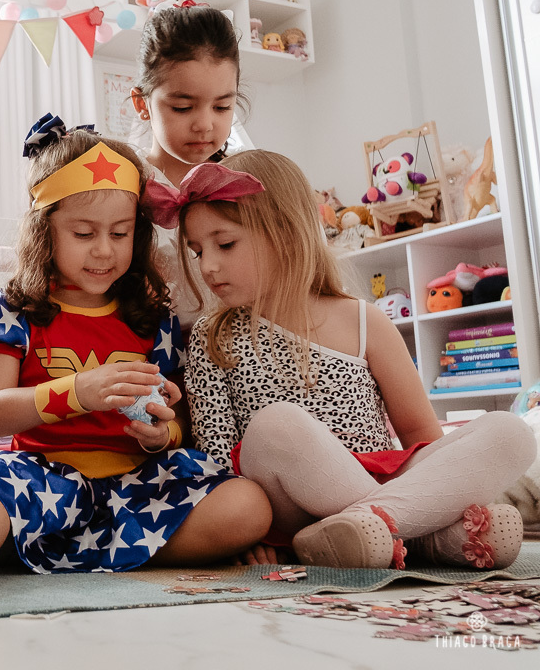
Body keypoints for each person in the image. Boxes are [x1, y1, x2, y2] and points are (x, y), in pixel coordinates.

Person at [0, 125, 271, 602]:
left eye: (120, 234)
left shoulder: (151, 317)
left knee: (247, 505)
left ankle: (35, 548)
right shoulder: (14, 308)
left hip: (136, 488)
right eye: (84, 233)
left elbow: (180, 413)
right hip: (45, 478)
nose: (104, 249)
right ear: (46, 231)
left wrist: (165, 432)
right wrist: (79, 392)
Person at [163, 150, 536, 569]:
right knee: (275, 424)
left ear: (287, 233)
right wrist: (238, 537)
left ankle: (372, 529)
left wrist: (436, 486)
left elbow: (420, 435)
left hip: (384, 478)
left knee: (512, 432)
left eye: (225, 244)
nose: (209, 266)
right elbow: (216, 457)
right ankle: (420, 535)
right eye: (197, 251)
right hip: (286, 503)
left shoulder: (364, 320)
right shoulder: (212, 337)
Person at [129, 4, 248, 324]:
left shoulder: (246, 181)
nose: (205, 125)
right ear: (142, 104)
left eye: (222, 107)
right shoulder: (125, 184)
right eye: (183, 107)